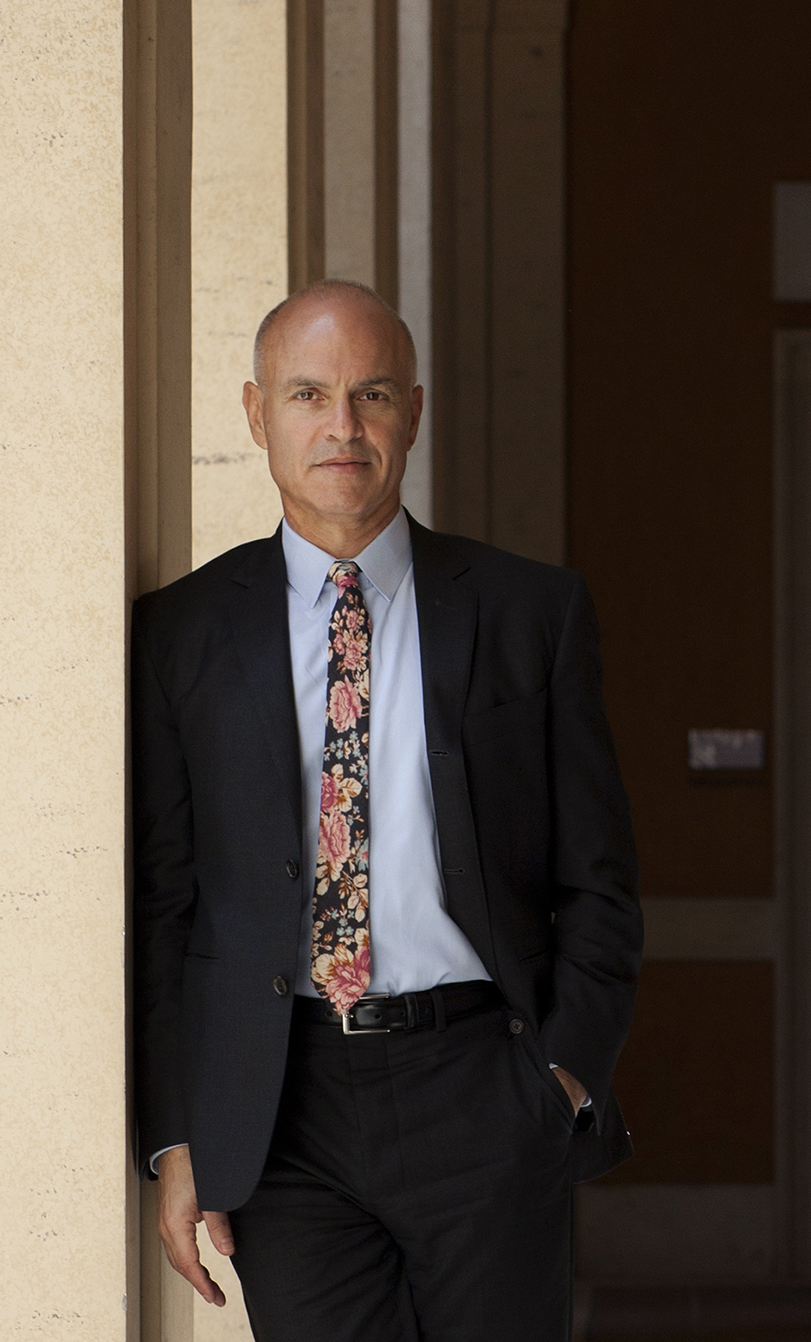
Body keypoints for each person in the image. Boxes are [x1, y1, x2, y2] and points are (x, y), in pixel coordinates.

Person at [132, 279, 640, 1340]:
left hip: (484, 1086)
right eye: (309, 394)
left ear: (413, 410)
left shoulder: (528, 615)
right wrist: (177, 1138)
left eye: (370, 395)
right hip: (282, 1108)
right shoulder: (178, 636)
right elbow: (165, 906)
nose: (342, 427)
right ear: (256, 412)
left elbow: (600, 878)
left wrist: (560, 1079)